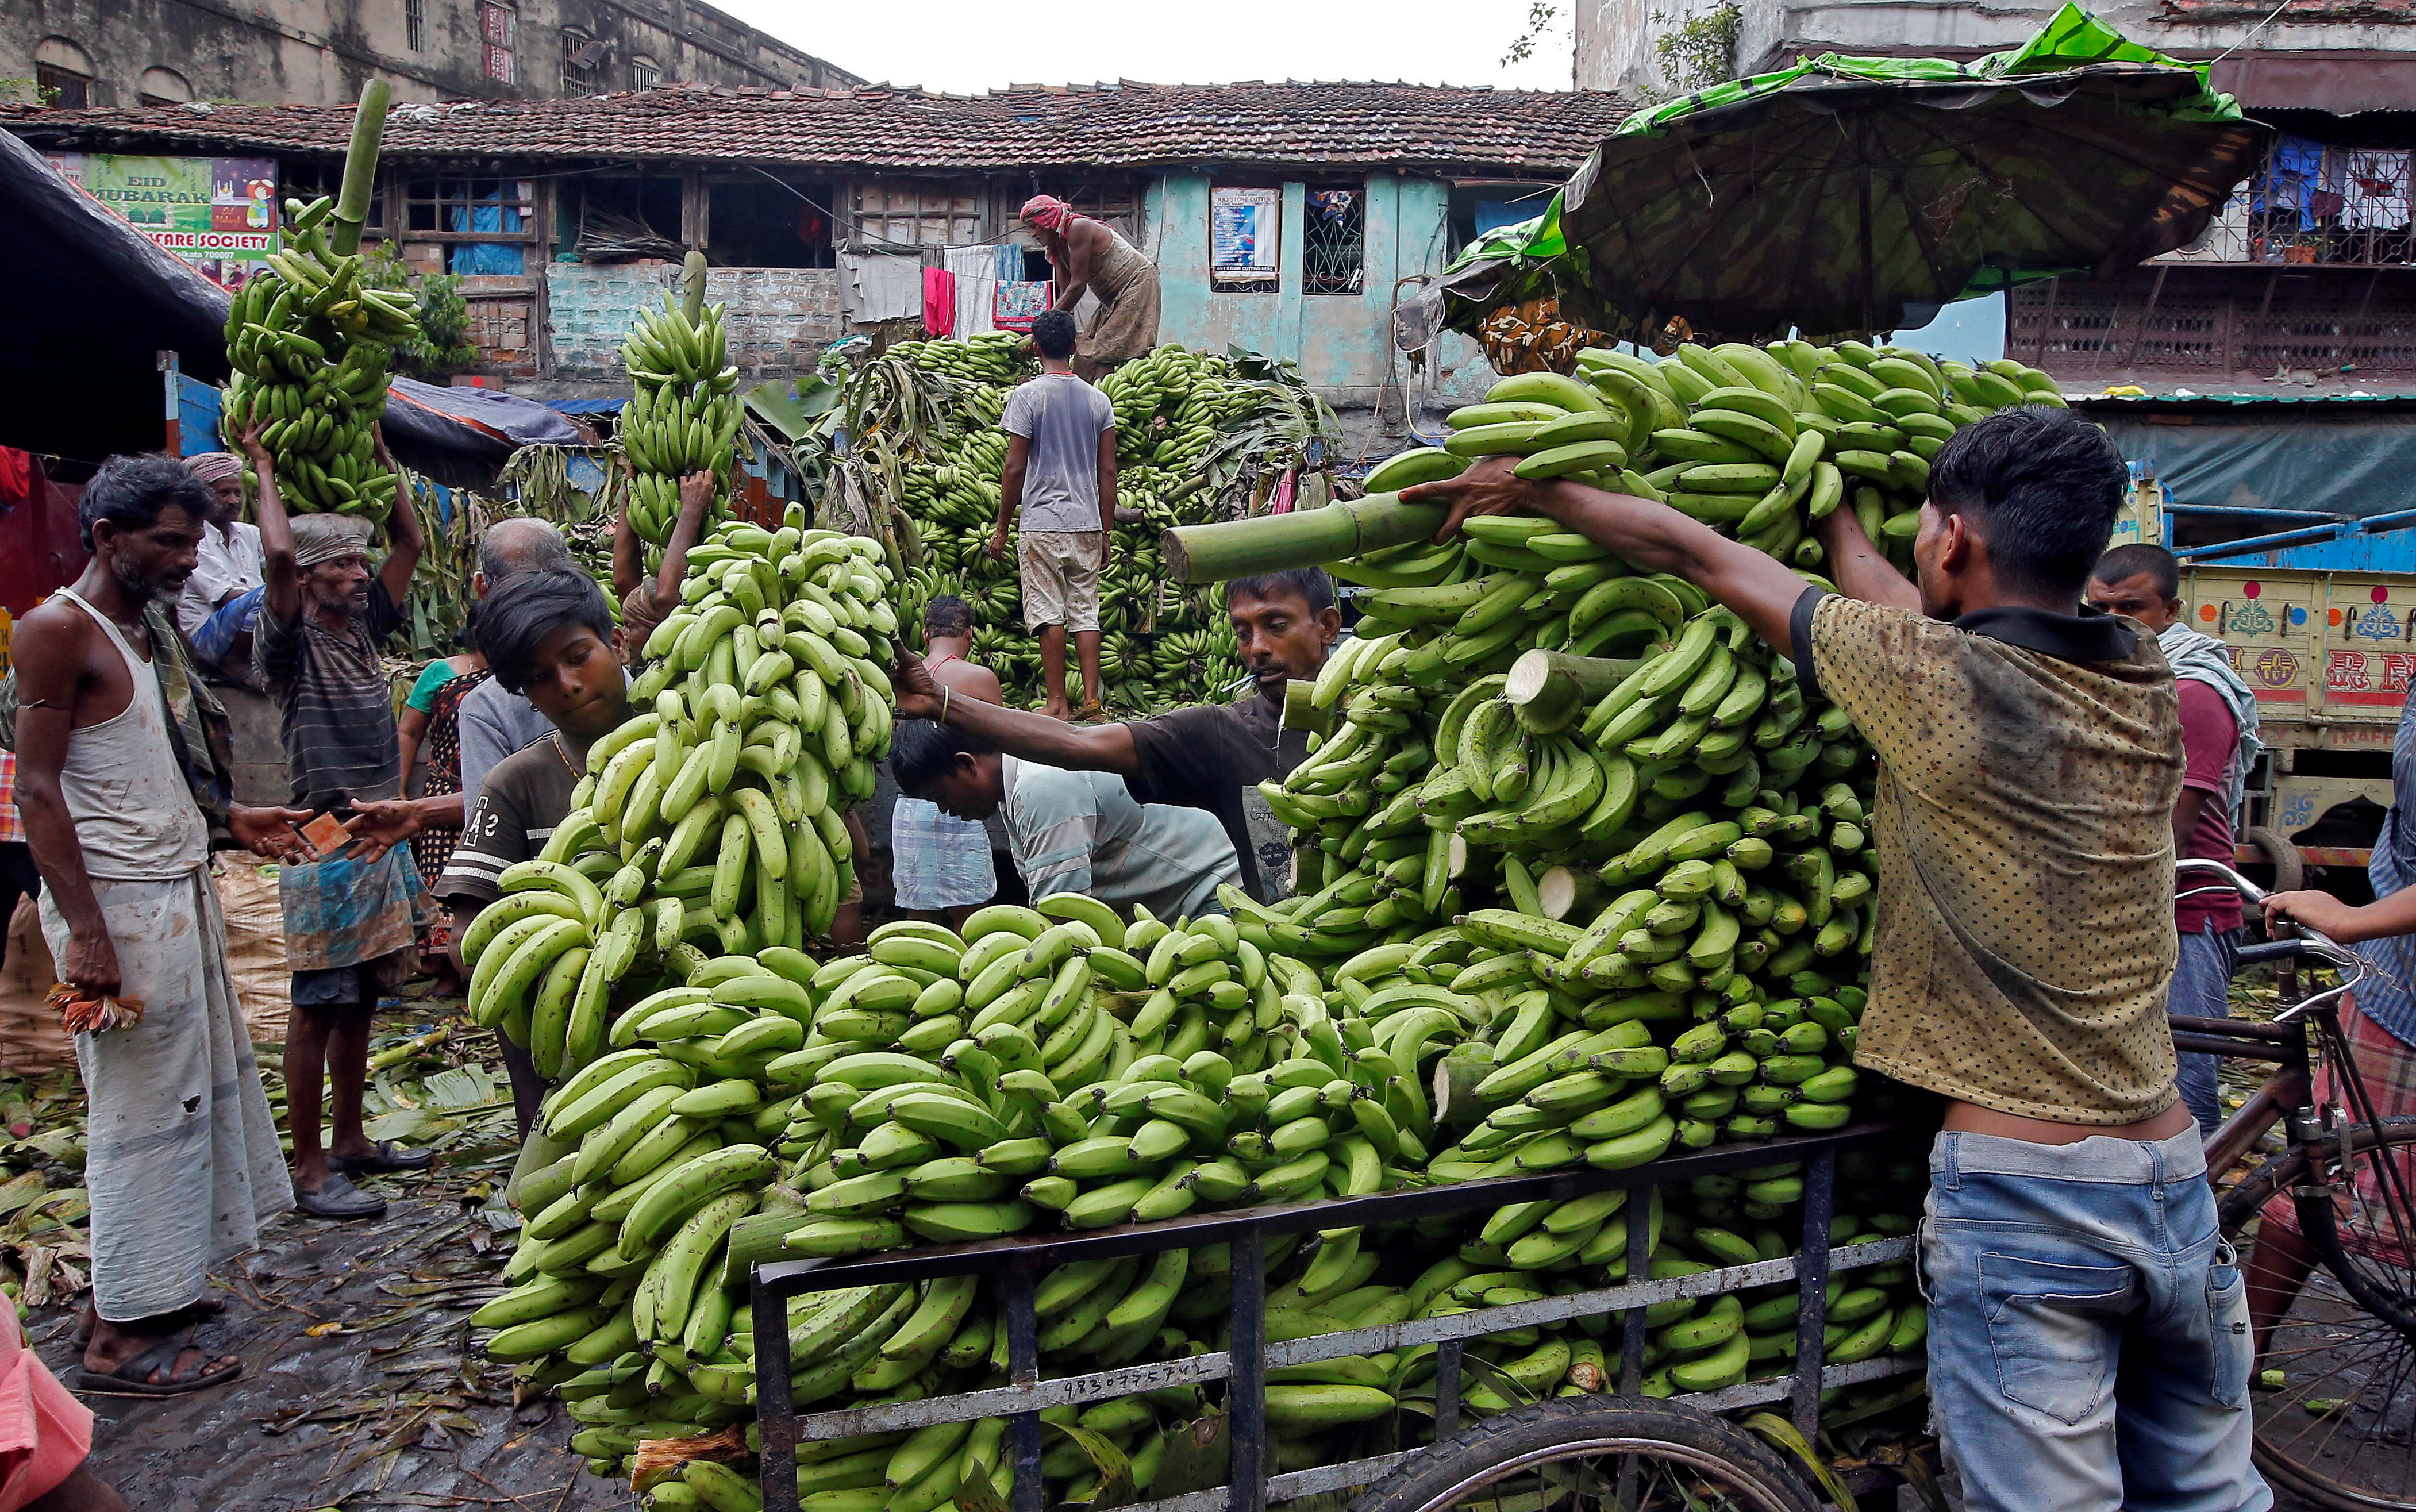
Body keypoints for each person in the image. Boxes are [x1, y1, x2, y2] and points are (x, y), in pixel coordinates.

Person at [1407, 407, 2267, 1512]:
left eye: (1925, 534)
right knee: (2209, 1497)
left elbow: (1695, 553)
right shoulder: (2147, 680)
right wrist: (1831, 510)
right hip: (2170, 1176)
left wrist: (1536, 492)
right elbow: (1895, 604)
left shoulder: (1929, 683)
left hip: (2028, 1198)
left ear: (1952, 539)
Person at [11, 452, 310, 1395]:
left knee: (190, 1101)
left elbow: (146, 766)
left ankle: (157, 1292)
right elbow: (40, 787)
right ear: (107, 537)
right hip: (120, 913)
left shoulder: (146, 633)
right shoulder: (60, 630)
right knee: (141, 1117)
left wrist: (232, 822)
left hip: (172, 894)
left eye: (194, 542)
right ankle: (117, 1338)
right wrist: (90, 934)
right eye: (170, 542)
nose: (188, 560)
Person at [249, 425, 447, 1222]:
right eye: (340, 564)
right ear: (306, 574)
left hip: (376, 831)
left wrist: (379, 456)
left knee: (365, 993)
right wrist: (264, 466)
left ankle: (353, 1135)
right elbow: (271, 563)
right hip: (324, 834)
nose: (359, 575)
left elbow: (412, 538)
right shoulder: (289, 641)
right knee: (318, 999)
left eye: (360, 564)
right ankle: (305, 1165)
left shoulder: (365, 628)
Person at [892, 568, 1341, 903]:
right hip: (1272, 941)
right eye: (1242, 633)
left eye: (1276, 625)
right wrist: (940, 702)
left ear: (1328, 626)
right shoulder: (1220, 733)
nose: (1257, 647)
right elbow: (1075, 744)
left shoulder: (1379, 708)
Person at [437, 570, 628, 1144]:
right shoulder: (516, 782)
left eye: (578, 657)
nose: (567, 684)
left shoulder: (698, 746)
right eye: (541, 678)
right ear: (523, 694)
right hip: (565, 1038)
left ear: (616, 643)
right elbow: (466, 934)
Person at [2087, 543, 2262, 1137]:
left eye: (2131, 608)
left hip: (2186, 913)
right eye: (2099, 607)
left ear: (2170, 610)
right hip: (2135, 911)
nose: (2113, 622)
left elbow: (2169, 828)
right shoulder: (2116, 677)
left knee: (2185, 1094)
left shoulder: (2191, 692)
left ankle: (2202, 1220)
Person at [890, 720, 1237, 921]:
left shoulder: (1040, 787)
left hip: (1211, 896)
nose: (946, 811)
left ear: (967, 764)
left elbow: (1064, 916)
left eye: (940, 797)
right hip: (1171, 909)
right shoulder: (1016, 781)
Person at [990, 309, 1116, 722]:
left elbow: (1014, 467)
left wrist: (1003, 528)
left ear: (1037, 349)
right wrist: (1107, 530)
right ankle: (1093, 700)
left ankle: (1057, 702)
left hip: (1042, 521)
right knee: (1086, 610)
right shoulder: (1099, 399)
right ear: (1076, 346)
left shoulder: (1028, 396)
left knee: (1048, 610)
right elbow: (1108, 471)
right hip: (1086, 520)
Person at [453, 517, 583, 815]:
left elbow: (487, 822)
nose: (567, 686)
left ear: (482, 587)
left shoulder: (486, 707)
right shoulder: (612, 670)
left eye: (577, 659)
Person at [891, 596, 1000, 925]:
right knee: (971, 914)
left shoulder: (901, 681)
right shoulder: (982, 678)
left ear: (926, 635)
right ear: (970, 634)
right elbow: (998, 743)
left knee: (918, 911)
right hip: (958, 798)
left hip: (912, 806)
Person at [403, 611, 489, 991]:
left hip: (492, 786)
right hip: (444, 788)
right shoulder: (440, 673)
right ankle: (447, 968)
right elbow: (408, 731)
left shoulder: (520, 672)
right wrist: (400, 790)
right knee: (440, 878)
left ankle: (483, 963)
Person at [1020, 195, 1161, 383]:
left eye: (1033, 226)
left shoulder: (1079, 228)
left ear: (1047, 221)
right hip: (1110, 299)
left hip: (1137, 284)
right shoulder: (1056, 248)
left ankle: (1102, 400)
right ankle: (1080, 394)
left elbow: (1078, 286)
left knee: (1105, 350)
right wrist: (1054, 331)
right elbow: (1066, 292)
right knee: (1084, 350)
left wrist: (1041, 328)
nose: (1032, 233)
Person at [175, 452, 266, 684]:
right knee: (269, 594)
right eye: (223, 494)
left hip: (250, 624)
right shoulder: (195, 539)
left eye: (237, 493)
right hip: (207, 635)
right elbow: (225, 598)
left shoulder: (249, 533)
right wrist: (276, 601)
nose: (234, 501)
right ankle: (233, 665)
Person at [614, 470, 719, 660]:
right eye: (628, 625)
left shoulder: (630, 661)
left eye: (628, 626)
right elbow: (668, 600)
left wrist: (628, 492)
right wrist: (691, 510)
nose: (624, 635)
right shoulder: (658, 664)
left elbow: (623, 583)